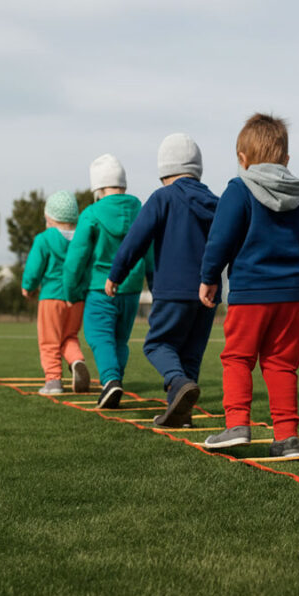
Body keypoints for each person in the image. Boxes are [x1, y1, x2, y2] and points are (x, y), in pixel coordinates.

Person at [199, 114, 299, 458]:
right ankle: (287, 437)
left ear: (242, 158)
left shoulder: (238, 189)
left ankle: (237, 424)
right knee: (282, 364)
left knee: (237, 357)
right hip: (289, 298)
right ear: (286, 159)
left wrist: (209, 277)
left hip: (249, 295)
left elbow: (219, 239)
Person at [107, 134, 218, 428]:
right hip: (209, 294)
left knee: (157, 344)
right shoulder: (215, 202)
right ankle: (179, 413)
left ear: (163, 172)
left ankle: (177, 382)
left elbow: (136, 240)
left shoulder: (163, 198)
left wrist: (116, 273)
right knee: (191, 353)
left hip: (172, 290)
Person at [63, 154, 153, 409]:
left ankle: (111, 381)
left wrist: (70, 290)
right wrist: (153, 282)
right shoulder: (140, 209)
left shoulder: (91, 213)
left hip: (100, 288)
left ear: (98, 189)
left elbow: (76, 257)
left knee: (98, 335)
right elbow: (150, 250)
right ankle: (115, 381)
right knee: (119, 340)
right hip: (133, 288)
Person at [21, 190, 91, 395]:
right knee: (69, 336)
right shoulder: (82, 238)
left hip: (51, 297)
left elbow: (34, 268)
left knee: (49, 339)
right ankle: (76, 361)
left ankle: (53, 380)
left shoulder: (44, 239)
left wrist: (28, 287)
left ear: (49, 217)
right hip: (76, 298)